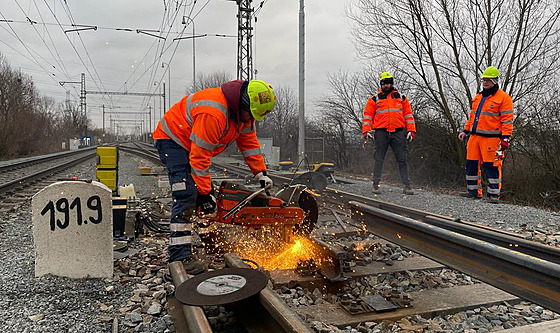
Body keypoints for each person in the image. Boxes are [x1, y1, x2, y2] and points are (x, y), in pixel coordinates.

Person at [152, 79, 275, 274]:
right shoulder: (214, 113)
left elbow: (249, 144)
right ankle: (179, 257)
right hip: (173, 140)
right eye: (249, 114)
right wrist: (204, 192)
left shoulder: (244, 116)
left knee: (205, 197)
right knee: (187, 194)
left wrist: (260, 173)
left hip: (191, 144)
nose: (250, 119)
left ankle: (208, 239)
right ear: (242, 104)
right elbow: (199, 158)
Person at [458, 66, 513, 203]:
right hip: (474, 137)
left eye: (487, 80)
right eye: (483, 80)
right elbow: (472, 117)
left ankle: (493, 195)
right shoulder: (478, 97)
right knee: (471, 164)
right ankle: (473, 191)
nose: (485, 82)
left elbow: (507, 120)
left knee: (492, 166)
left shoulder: (504, 98)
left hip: (492, 139)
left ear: (494, 81)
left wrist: (505, 137)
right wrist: (465, 131)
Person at [362, 72, 416, 195]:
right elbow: (367, 116)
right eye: (385, 83)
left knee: (402, 159)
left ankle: (406, 185)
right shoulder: (374, 99)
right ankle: (376, 184)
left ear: (392, 83)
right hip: (381, 132)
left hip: (398, 132)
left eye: (389, 82)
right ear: (381, 84)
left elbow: (408, 115)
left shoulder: (401, 97)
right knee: (379, 159)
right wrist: (366, 130)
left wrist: (411, 130)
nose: (387, 85)